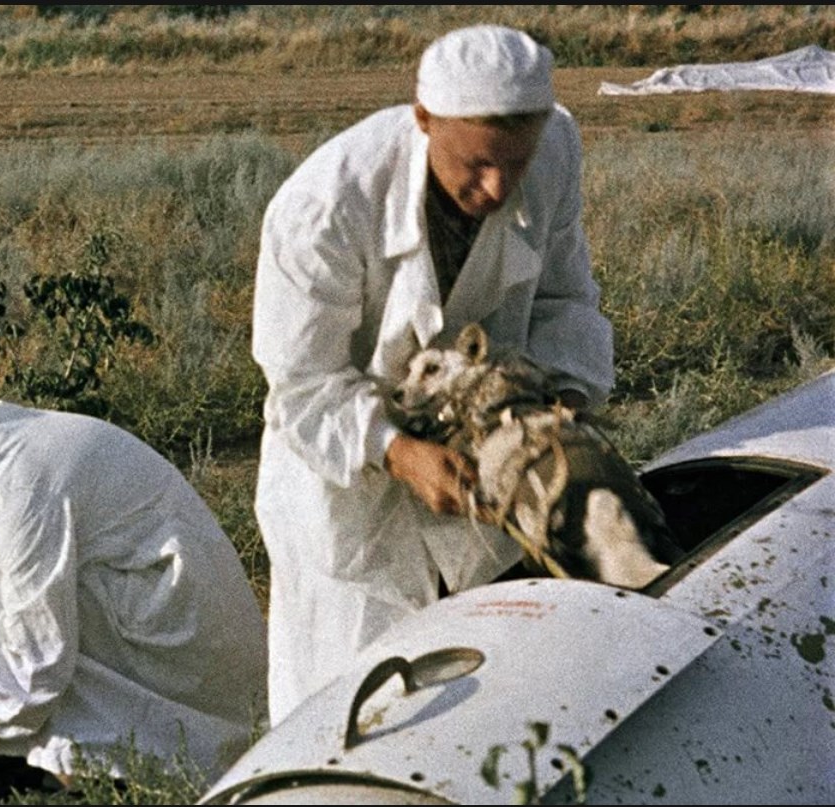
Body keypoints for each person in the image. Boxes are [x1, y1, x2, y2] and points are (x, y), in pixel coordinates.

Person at [251, 24, 615, 725]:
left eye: (515, 161)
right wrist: (398, 451)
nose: (497, 186)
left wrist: (557, 405)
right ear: (424, 119)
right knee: (348, 707)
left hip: (485, 479)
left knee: (483, 698)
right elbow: (303, 384)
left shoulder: (555, 150)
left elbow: (565, 301)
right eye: (476, 164)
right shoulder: (325, 208)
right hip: (345, 487)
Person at [0, 399, 268, 785]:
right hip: (143, 583)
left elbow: (41, 647)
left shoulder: (17, 494)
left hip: (182, 618)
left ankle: (91, 765)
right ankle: (21, 741)